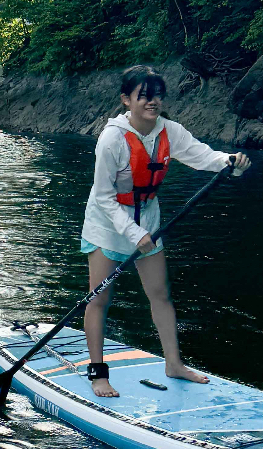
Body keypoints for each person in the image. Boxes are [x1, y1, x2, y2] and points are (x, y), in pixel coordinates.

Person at [80, 65, 250, 398]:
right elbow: (103, 197)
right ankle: (98, 374)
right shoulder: (112, 139)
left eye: (156, 95)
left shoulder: (168, 131)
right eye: (143, 96)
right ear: (126, 100)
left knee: (160, 294)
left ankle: (173, 363)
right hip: (107, 224)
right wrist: (133, 234)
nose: (152, 102)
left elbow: (202, 155)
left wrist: (229, 161)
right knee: (99, 298)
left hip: (149, 222)